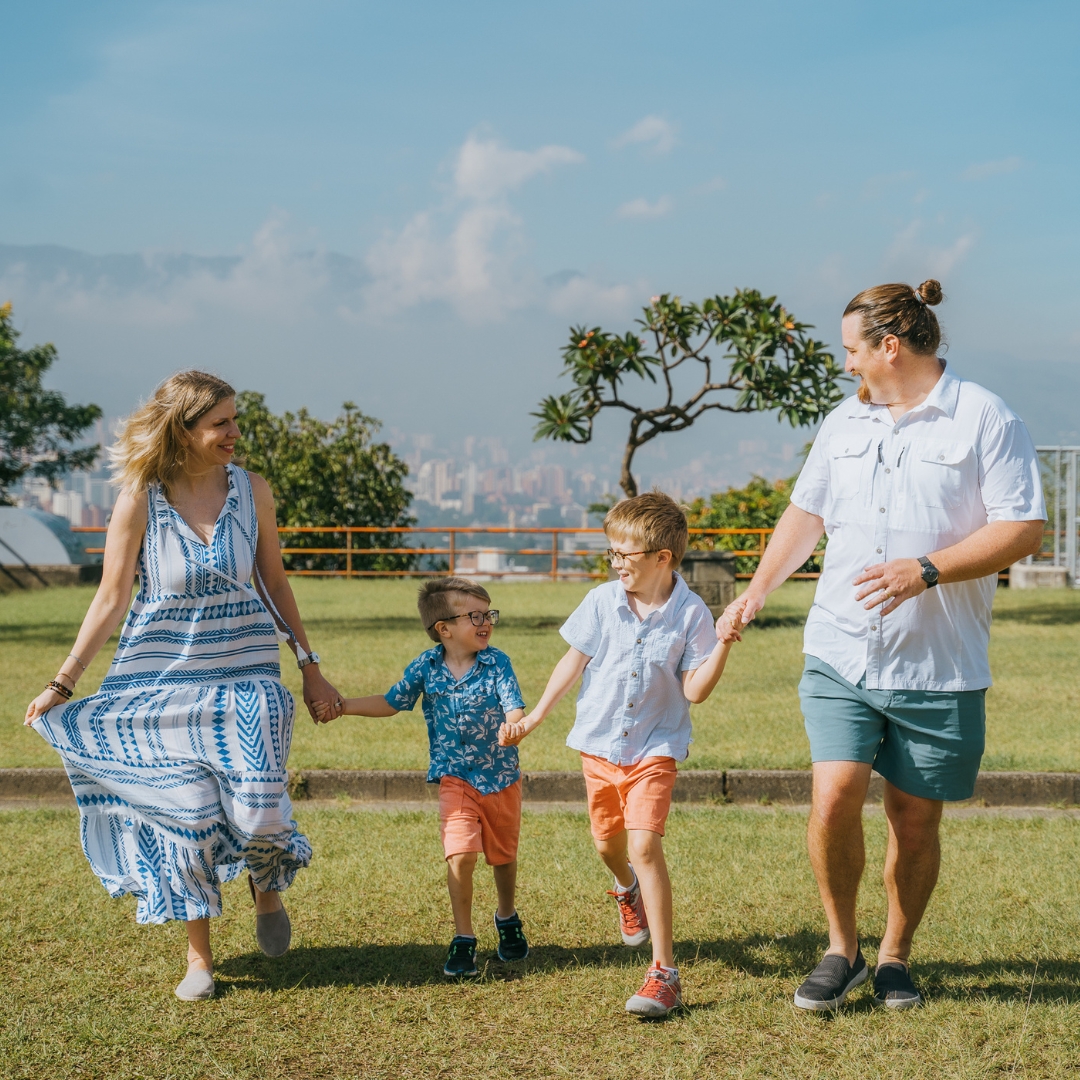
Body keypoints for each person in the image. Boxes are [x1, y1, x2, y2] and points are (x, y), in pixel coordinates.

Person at [727, 280, 1045, 1011]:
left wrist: (926, 570)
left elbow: (1023, 528)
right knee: (834, 795)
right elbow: (805, 514)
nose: (846, 366)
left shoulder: (984, 418)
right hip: (840, 648)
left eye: (850, 350)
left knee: (915, 818)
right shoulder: (844, 422)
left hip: (939, 664)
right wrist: (757, 590)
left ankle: (896, 955)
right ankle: (842, 950)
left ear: (889, 348)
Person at [24, 371, 343, 1002]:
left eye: (234, 419)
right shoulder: (141, 497)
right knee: (187, 816)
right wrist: (63, 683)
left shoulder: (253, 491)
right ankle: (200, 958)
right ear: (185, 429)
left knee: (257, 813)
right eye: (220, 422)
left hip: (247, 677)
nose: (234, 433)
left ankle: (266, 886)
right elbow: (112, 597)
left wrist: (308, 664)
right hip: (160, 684)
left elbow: (274, 584)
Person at [501, 491, 743, 1017]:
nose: (615, 564)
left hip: (655, 746)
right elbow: (573, 661)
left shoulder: (691, 614)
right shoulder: (601, 602)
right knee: (608, 845)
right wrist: (536, 715)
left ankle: (664, 973)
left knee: (644, 845)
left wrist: (723, 641)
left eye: (624, 556)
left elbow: (696, 691)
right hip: (599, 745)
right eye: (611, 553)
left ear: (662, 558)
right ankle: (624, 889)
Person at [316, 578, 530, 978]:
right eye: (476, 616)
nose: (487, 622)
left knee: (502, 857)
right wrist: (343, 706)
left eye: (489, 614)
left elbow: (514, 708)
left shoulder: (497, 662)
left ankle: (507, 916)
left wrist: (514, 726)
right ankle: (463, 937)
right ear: (443, 628)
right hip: (455, 779)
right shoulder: (426, 667)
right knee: (461, 855)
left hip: (501, 778)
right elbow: (392, 701)